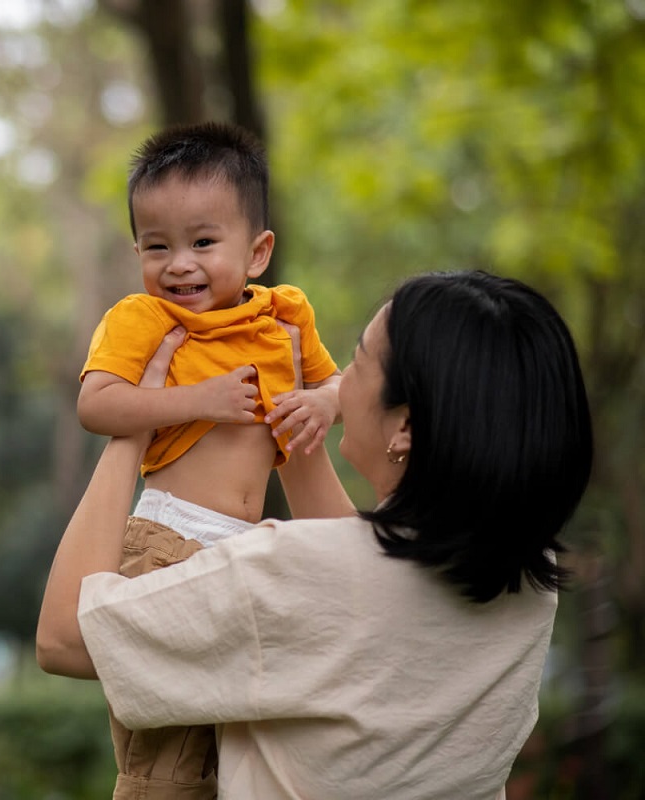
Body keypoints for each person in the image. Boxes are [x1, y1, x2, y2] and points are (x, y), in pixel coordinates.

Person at [40, 270, 593, 800]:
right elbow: (364, 582)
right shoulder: (530, 588)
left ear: (405, 426)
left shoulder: (283, 573)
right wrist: (280, 398)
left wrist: (134, 424)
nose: (338, 382)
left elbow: (64, 638)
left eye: (357, 360)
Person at [77, 122, 342, 796]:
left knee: (245, 756)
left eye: (202, 242)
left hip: (252, 550)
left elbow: (334, 383)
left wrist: (324, 406)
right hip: (168, 540)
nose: (179, 264)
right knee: (168, 760)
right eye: (156, 245)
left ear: (257, 253)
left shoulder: (285, 317)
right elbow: (98, 405)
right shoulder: (146, 319)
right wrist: (198, 399)